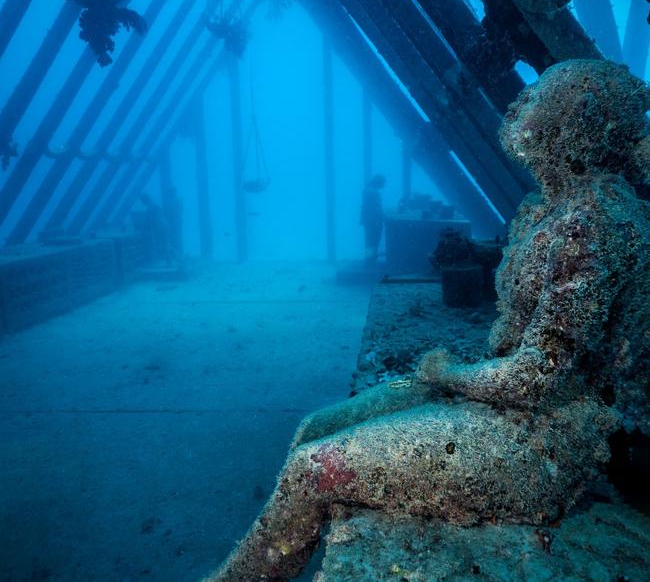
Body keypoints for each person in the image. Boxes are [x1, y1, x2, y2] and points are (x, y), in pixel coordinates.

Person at [205, 60, 650, 582]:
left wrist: (445, 375)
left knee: (312, 468)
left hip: (541, 439)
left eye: (539, 95)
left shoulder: (593, 226)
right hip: (492, 398)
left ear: (580, 123)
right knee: (315, 428)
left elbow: (536, 375)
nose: (518, 102)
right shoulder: (548, 209)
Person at [360, 173, 386, 263]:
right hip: (374, 220)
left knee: (369, 240)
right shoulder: (374, 192)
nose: (384, 185)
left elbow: (366, 207)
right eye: (383, 183)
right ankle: (371, 259)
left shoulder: (367, 190)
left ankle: (369, 258)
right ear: (379, 182)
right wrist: (382, 217)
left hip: (368, 220)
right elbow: (376, 208)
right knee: (374, 239)